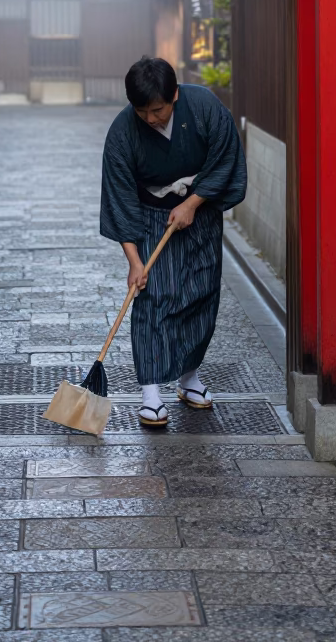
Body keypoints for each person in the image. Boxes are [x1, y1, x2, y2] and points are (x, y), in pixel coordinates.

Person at [100, 56, 247, 427]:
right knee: (153, 298)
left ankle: (188, 377)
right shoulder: (122, 132)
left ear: (175, 95)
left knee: (200, 293)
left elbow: (226, 156)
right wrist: (134, 261)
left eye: (158, 109)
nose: (151, 118)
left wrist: (193, 203)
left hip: (200, 209)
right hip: (151, 215)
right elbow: (119, 197)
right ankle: (151, 393)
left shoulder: (204, 106)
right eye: (142, 111)